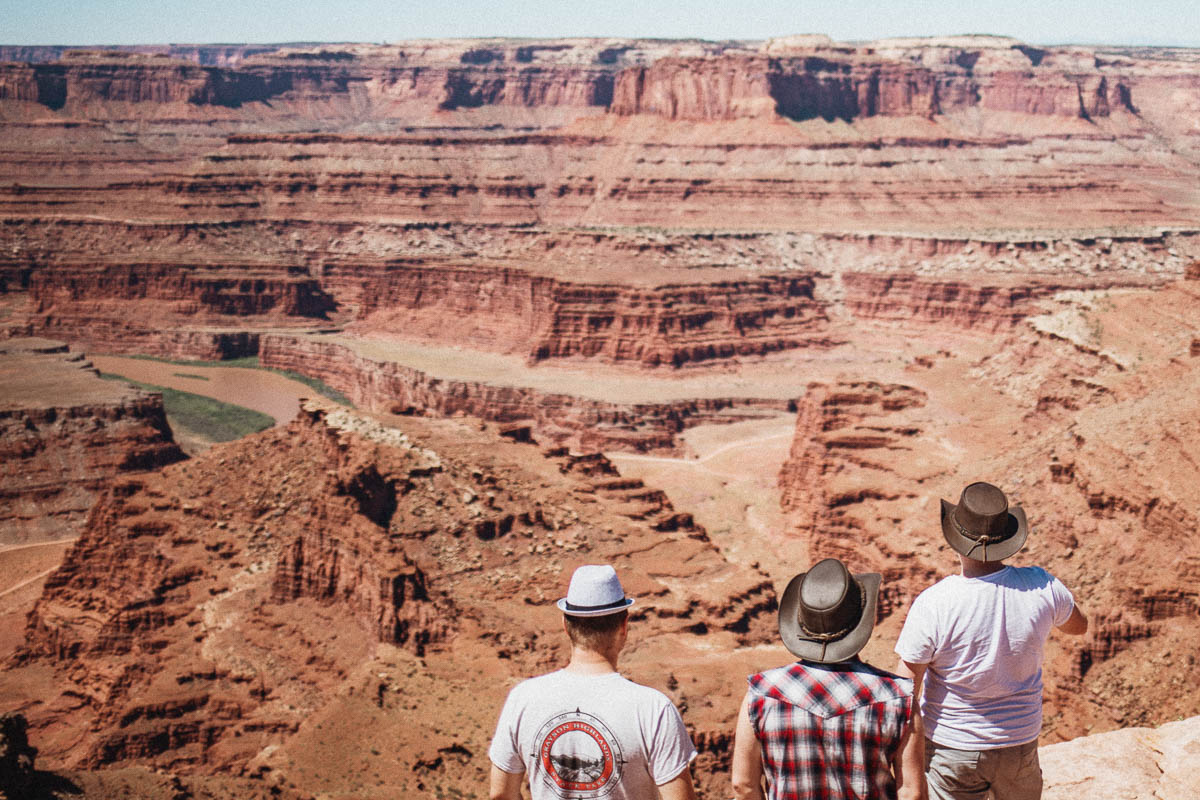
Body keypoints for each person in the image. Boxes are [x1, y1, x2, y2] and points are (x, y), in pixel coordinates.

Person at [895, 482, 1089, 800]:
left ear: (956, 540)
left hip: (952, 747)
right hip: (1020, 742)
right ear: (1008, 540)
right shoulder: (1042, 585)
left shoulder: (935, 602)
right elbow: (1078, 626)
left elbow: (904, 691)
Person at [488, 564, 698, 800]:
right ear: (624, 626)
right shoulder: (654, 709)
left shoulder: (523, 698)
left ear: (566, 626)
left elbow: (500, 794)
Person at [732, 557, 924, 800]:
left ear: (800, 625)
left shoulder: (761, 694)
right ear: (862, 622)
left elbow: (743, 785)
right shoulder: (898, 698)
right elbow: (912, 793)